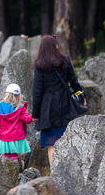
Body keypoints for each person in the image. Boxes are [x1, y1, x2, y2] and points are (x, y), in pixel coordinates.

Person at [32, 35, 82, 165]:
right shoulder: (65, 60)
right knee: (69, 140)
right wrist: (81, 98)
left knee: (52, 145)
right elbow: (74, 82)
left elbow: (37, 92)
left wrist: (35, 114)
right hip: (66, 106)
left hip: (48, 109)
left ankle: (55, 174)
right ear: (55, 47)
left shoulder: (40, 65)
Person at [0, 83, 33, 162]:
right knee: (14, 157)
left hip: (4, 136)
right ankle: (15, 171)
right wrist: (34, 116)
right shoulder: (20, 107)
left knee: (6, 156)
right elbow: (27, 120)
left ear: (7, 94)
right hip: (17, 136)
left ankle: (7, 172)